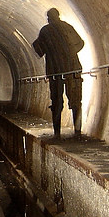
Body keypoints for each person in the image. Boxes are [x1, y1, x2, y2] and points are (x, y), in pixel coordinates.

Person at [32, 8, 84, 139]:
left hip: (55, 71)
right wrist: (69, 53)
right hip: (73, 69)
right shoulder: (67, 27)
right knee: (76, 100)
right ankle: (77, 132)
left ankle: (57, 133)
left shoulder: (45, 31)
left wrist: (54, 52)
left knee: (56, 101)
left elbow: (38, 50)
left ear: (49, 18)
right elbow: (80, 43)